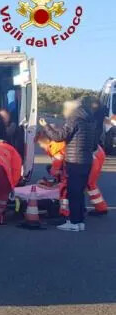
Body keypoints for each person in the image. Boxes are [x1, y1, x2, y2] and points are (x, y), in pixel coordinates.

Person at [40, 98, 97, 231]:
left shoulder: (74, 120)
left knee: (73, 192)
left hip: (74, 161)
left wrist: (45, 126)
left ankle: (74, 222)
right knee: (80, 192)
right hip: (86, 161)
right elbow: (94, 145)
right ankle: (80, 222)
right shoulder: (89, 122)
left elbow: (58, 136)